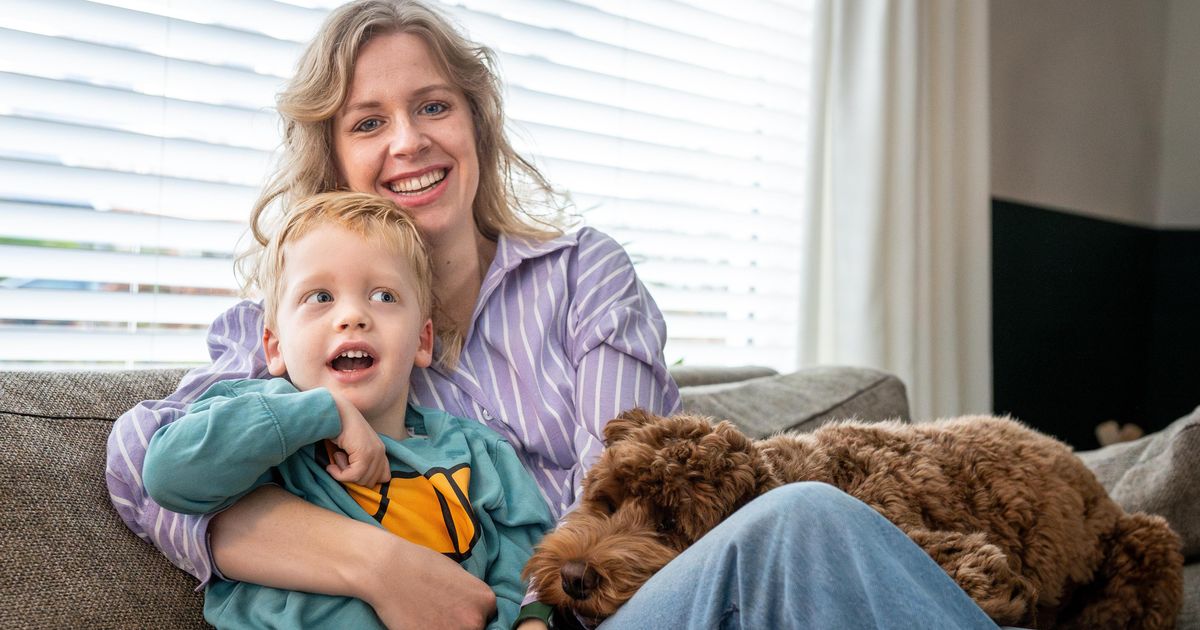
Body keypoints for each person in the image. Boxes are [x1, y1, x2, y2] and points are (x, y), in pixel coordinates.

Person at [107, 1, 999, 628]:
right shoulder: (286, 328)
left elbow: (620, 500)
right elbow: (143, 459)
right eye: (367, 122)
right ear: (334, 157)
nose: (408, 141)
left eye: (431, 106)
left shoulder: (581, 279)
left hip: (615, 611)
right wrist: (378, 565)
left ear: (476, 126)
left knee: (803, 525)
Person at [141, 192, 555, 629]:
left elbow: (529, 558)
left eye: (384, 295)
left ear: (422, 341)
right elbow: (169, 475)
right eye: (320, 296)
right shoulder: (256, 423)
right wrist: (324, 409)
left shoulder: (479, 452)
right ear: (275, 347)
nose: (353, 315)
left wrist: (526, 620)